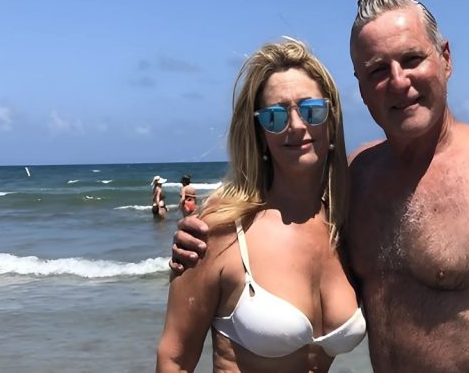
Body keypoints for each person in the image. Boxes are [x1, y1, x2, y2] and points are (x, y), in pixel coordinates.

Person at [171, 0, 469, 372]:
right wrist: (198, 235)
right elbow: (278, 215)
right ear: (361, 88)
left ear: (446, 58)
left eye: (412, 59)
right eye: (378, 70)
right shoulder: (355, 180)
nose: (399, 82)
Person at [156, 38, 365, 372]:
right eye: (275, 117)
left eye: (312, 110)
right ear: (260, 134)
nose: (296, 125)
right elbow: (175, 359)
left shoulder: (347, 225)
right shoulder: (220, 231)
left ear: (331, 119)